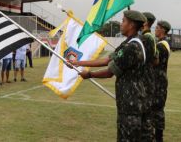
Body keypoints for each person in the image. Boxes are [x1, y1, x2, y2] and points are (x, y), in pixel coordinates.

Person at [71, 10, 147, 141]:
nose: (120, 24)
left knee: (127, 137)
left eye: (123, 21)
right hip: (129, 101)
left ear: (131, 25)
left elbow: (109, 72)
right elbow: (107, 60)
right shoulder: (129, 43)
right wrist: (78, 63)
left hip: (131, 103)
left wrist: (89, 74)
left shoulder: (132, 47)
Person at [141, 12, 158, 141]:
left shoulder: (146, 38)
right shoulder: (151, 37)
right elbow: (155, 60)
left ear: (145, 22)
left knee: (145, 116)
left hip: (145, 81)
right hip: (149, 78)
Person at [153, 21, 171, 142]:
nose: (156, 29)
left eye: (158, 28)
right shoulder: (162, 43)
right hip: (159, 81)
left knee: (157, 112)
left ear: (163, 30)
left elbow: (154, 62)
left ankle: (159, 138)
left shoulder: (161, 45)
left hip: (158, 83)